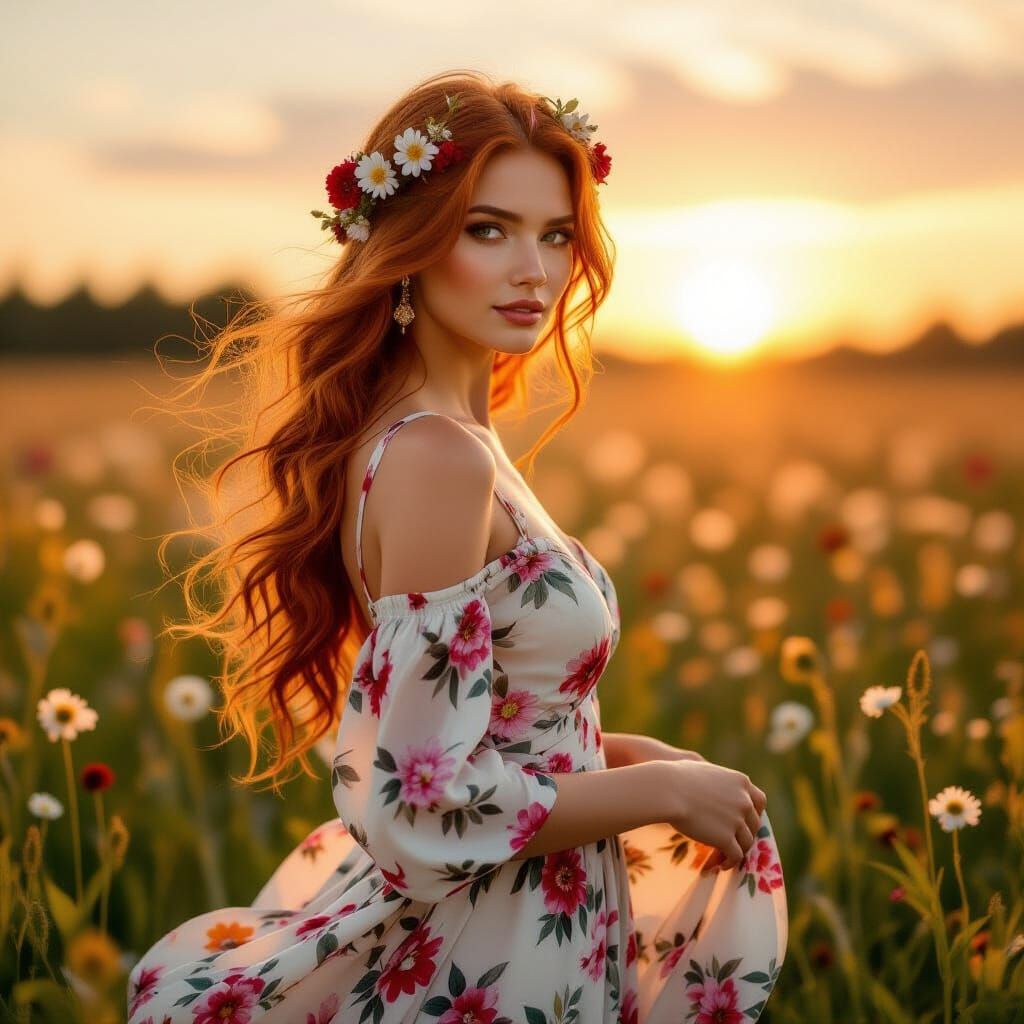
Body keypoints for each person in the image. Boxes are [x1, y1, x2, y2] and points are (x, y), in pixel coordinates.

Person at [127, 69, 787, 1024]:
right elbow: (425, 801)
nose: (535, 269)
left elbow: (490, 730)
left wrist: (626, 757)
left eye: (555, 235)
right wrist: (661, 789)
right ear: (409, 245)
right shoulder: (437, 457)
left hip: (531, 922)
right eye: (489, 229)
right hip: (485, 949)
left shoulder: (452, 439)